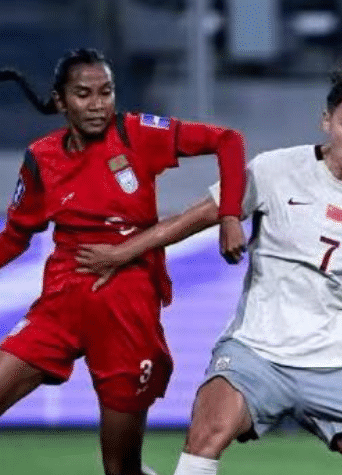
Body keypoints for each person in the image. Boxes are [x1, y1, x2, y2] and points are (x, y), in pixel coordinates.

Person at [74, 55, 342, 475]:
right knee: (206, 433)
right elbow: (193, 218)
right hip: (256, 351)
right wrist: (121, 253)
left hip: (335, 360)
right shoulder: (275, 169)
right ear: (327, 121)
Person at [0, 49, 246, 475]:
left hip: (127, 312)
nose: (98, 104)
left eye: (106, 92)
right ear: (61, 101)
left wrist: (229, 215)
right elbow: (15, 236)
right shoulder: (41, 158)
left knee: (119, 467)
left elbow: (228, 140)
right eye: (83, 94)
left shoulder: (137, 134)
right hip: (60, 306)